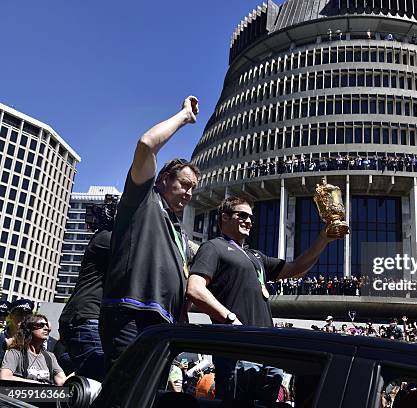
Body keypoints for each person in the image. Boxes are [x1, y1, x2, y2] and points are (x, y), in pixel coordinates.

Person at [186, 196, 340, 401]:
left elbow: (296, 268)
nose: (249, 221)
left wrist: (324, 239)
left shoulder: (256, 256)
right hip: (237, 352)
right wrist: (230, 319)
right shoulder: (214, 247)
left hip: (268, 353)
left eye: (251, 217)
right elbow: (195, 289)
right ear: (224, 217)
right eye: (242, 215)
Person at [100, 96, 201, 369]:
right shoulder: (143, 198)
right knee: (124, 391)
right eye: (184, 184)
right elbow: (146, 144)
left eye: (193, 189)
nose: (189, 194)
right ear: (164, 178)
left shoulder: (178, 232)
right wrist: (184, 117)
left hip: (163, 323)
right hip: (131, 312)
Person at [58, 196, 116, 381]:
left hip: (86, 318)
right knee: (100, 381)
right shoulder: (107, 238)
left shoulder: (105, 237)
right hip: (86, 318)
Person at [0, 314, 66, 385]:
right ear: (28, 329)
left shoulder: (50, 357)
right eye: (41, 325)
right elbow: (5, 377)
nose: (46, 328)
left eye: (47, 326)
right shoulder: (15, 353)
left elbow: (62, 381)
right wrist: (38, 384)